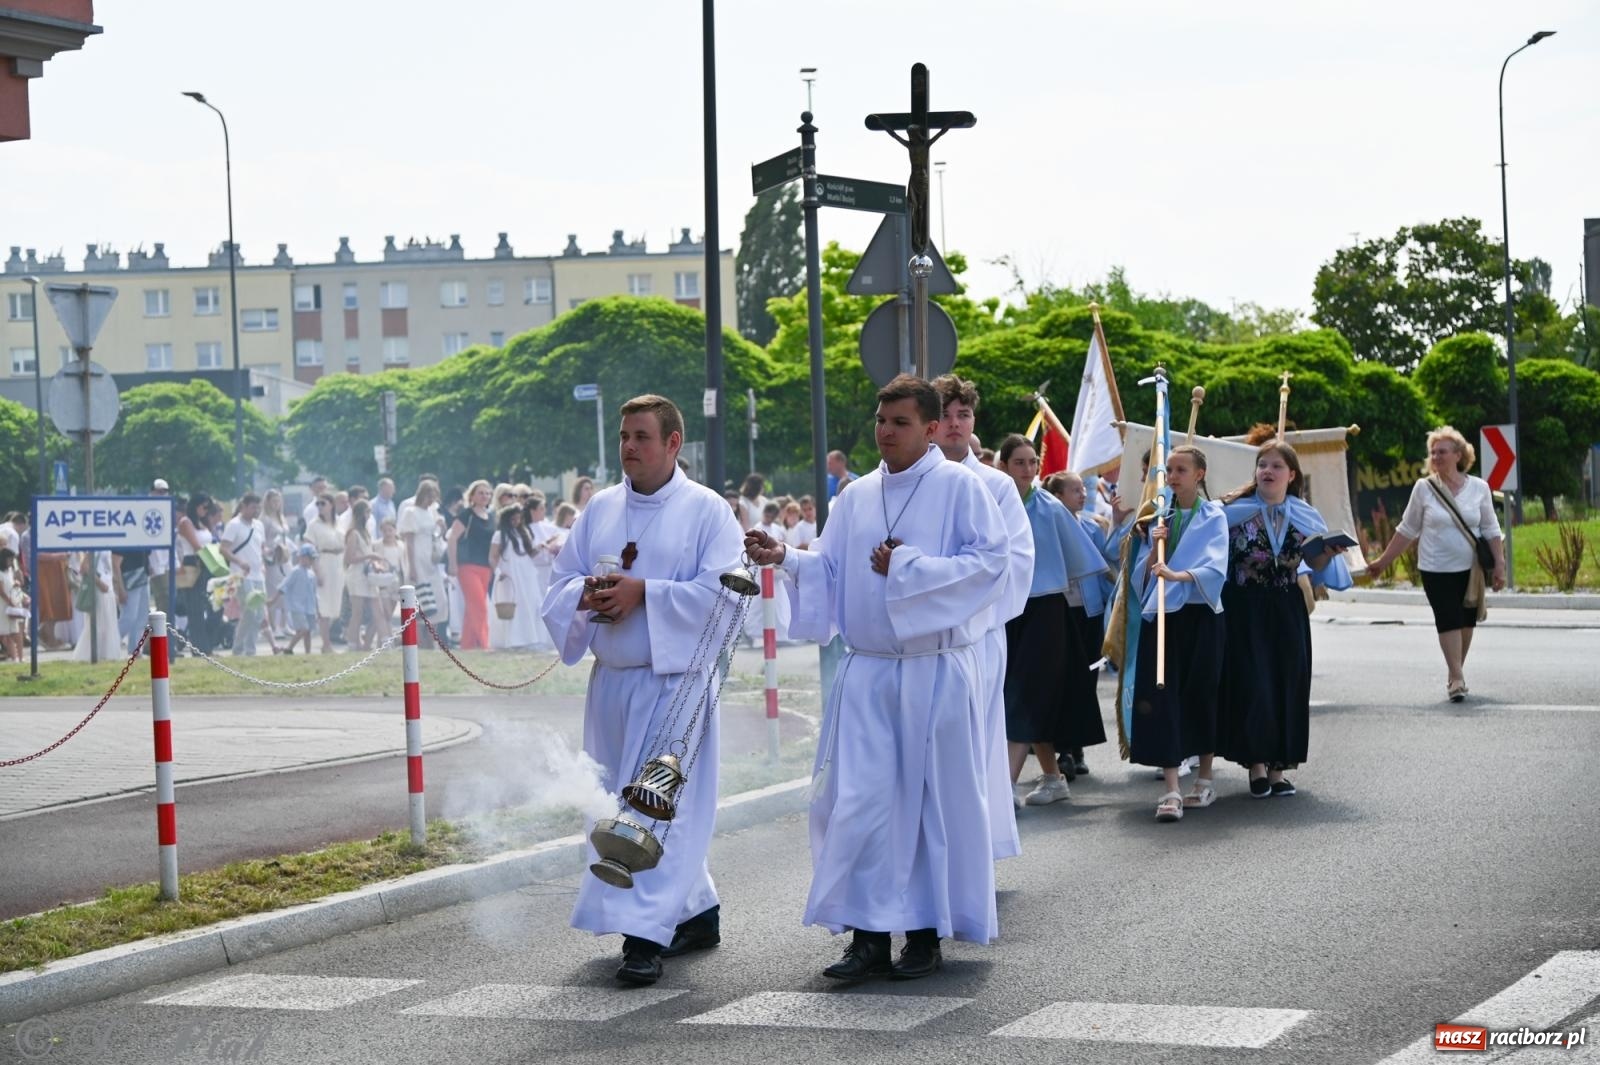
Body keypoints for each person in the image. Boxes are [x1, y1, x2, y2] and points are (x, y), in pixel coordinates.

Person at [744, 374, 1008, 982]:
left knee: (924, 807)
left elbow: (989, 566)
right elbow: (833, 570)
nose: (885, 432)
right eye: (880, 421)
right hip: (867, 675)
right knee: (859, 805)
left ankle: (922, 935)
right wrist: (785, 557)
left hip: (931, 674)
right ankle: (866, 938)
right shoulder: (856, 496)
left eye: (900, 423)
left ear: (934, 427)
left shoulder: (960, 489)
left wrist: (908, 568)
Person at [541, 393, 743, 987]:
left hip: (674, 686)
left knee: (652, 812)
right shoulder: (600, 508)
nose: (629, 447)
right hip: (612, 683)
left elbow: (727, 596)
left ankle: (643, 938)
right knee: (608, 804)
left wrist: (645, 594)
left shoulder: (708, 511)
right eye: (625, 436)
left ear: (673, 442)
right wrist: (587, 595)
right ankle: (696, 912)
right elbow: (560, 583)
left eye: (642, 437)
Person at [930, 374, 1034, 855]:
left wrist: (965, 610)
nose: (955, 424)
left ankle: (974, 852)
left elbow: (1016, 561)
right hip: (922, 639)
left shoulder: (996, 485)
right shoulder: (913, 482)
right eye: (947, 415)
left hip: (977, 637)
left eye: (964, 415)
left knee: (974, 745)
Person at [1215, 442, 1349, 800]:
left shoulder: (1305, 515)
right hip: (1243, 606)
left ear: (1291, 476)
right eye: (1262, 465)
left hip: (1286, 607)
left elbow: (1316, 568)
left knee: (1287, 683)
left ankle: (1278, 770)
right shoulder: (1231, 512)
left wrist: (1328, 554)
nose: (1267, 471)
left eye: (1276, 466)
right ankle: (1256, 765)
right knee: (1253, 684)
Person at [1117, 445, 1229, 823]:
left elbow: (1215, 567)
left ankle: (1205, 778)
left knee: (1201, 693)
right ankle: (1170, 788)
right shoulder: (1159, 516)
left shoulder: (1213, 515)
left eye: (1181, 469)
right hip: (1164, 614)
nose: (1173, 475)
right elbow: (1144, 577)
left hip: (1199, 615)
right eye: (1169, 468)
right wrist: (1153, 553)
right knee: (1161, 695)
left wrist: (1177, 575)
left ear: (1199, 475)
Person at [995, 437, 1108, 806]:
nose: (1027, 469)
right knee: (1019, 692)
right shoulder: (992, 501)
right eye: (1019, 462)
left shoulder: (1049, 506)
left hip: (1045, 611)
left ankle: (1005, 786)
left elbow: (1083, 555)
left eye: (1032, 462)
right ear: (1004, 465)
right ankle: (1053, 777)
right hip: (1004, 609)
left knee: (1025, 691)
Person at [1369, 426, 1506, 702]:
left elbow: (1491, 529)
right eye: (1433, 452)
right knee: (1448, 619)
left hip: (1471, 570)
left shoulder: (1479, 488)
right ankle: (1457, 678)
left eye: (1441, 451)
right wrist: (1383, 562)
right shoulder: (1424, 488)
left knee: (1467, 622)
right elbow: (1407, 529)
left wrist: (1500, 564)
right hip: (1435, 569)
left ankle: (1455, 670)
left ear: (1458, 455)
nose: (1436, 456)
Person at [1043, 470, 1116, 777]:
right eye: (1075, 490)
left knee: (1086, 680)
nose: (1083, 494)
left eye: (1082, 489)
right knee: (1059, 680)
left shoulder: (1093, 526)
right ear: (1057, 496)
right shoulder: (1045, 525)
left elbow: (1108, 558)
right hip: (1058, 610)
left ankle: (1077, 748)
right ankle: (1061, 750)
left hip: (1088, 612)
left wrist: (1120, 520)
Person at [489, 504, 544, 651]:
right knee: (513, 606)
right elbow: (493, 556)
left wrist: (541, 547)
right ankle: (513, 640)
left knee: (530, 604)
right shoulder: (500, 535)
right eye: (513, 518)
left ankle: (529, 639)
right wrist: (498, 572)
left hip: (526, 573)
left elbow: (529, 553)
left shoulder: (523, 533)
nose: (517, 521)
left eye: (519, 518)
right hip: (509, 574)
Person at [447, 480, 495, 650]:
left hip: (485, 567)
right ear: (473, 495)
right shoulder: (466, 515)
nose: (485, 496)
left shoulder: (492, 516)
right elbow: (452, 538)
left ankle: (467, 645)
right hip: (467, 565)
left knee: (473, 608)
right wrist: (452, 564)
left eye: (488, 493)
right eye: (481, 493)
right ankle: (484, 644)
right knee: (479, 606)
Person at [399, 479, 445, 648]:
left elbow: (437, 535)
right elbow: (409, 541)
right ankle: (421, 641)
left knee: (439, 599)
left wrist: (441, 526)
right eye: (429, 496)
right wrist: (411, 566)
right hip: (417, 555)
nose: (431, 500)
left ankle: (433, 638)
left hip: (430, 557)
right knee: (422, 600)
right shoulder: (410, 512)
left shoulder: (432, 512)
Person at [220, 493, 267, 657]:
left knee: (259, 614)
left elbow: (260, 548)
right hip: (240, 574)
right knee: (249, 611)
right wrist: (239, 562)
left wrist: (269, 554)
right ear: (244, 507)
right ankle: (239, 648)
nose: (256, 510)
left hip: (258, 574)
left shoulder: (259, 525)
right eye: (253, 507)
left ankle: (250, 650)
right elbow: (223, 549)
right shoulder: (234, 525)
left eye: (258, 507)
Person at [344, 499, 391, 650]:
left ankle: (385, 643)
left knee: (379, 610)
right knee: (357, 612)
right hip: (356, 575)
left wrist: (376, 564)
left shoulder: (366, 533)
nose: (369, 515)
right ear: (360, 513)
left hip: (369, 576)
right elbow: (349, 558)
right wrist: (370, 557)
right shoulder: (353, 533)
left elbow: (368, 554)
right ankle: (353, 644)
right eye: (367, 512)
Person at [305, 493, 346, 653]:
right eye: (318, 504)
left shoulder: (339, 522)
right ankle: (326, 643)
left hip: (338, 562)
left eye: (323, 504)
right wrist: (317, 571)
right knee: (324, 606)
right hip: (324, 561)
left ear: (331, 505)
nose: (320, 507)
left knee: (336, 605)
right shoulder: (314, 525)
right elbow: (310, 549)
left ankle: (331, 639)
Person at [71, 549, 120, 661]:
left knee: (108, 624)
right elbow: (84, 568)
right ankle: (86, 655)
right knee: (97, 625)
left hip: (108, 589)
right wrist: (100, 583)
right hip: (99, 590)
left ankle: (105, 654)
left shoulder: (108, 547)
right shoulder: (94, 548)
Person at [271, 544, 318, 655]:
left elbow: (314, 593)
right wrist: (273, 599)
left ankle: (308, 652)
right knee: (303, 629)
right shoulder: (296, 571)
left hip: (309, 607)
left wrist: (318, 609)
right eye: (309, 558)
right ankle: (289, 648)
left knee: (308, 632)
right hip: (297, 606)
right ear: (301, 558)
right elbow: (284, 585)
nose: (311, 561)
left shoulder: (311, 574)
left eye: (312, 559)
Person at [260, 489, 292, 640]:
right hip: (272, 557)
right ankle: (275, 625)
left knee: (286, 589)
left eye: (278, 501)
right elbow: (263, 540)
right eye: (273, 501)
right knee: (273, 591)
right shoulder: (265, 519)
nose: (276, 504)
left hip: (284, 556)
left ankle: (285, 624)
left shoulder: (281, 517)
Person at [0, 547, 27, 662]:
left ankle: (19, 657)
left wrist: (17, 581)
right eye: (9, 560)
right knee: (6, 633)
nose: (11, 562)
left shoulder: (10, 572)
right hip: (3, 605)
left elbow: (18, 583)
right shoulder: (0, 573)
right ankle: (14, 657)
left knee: (15, 632)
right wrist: (9, 601)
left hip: (13, 604)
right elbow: (1, 591)